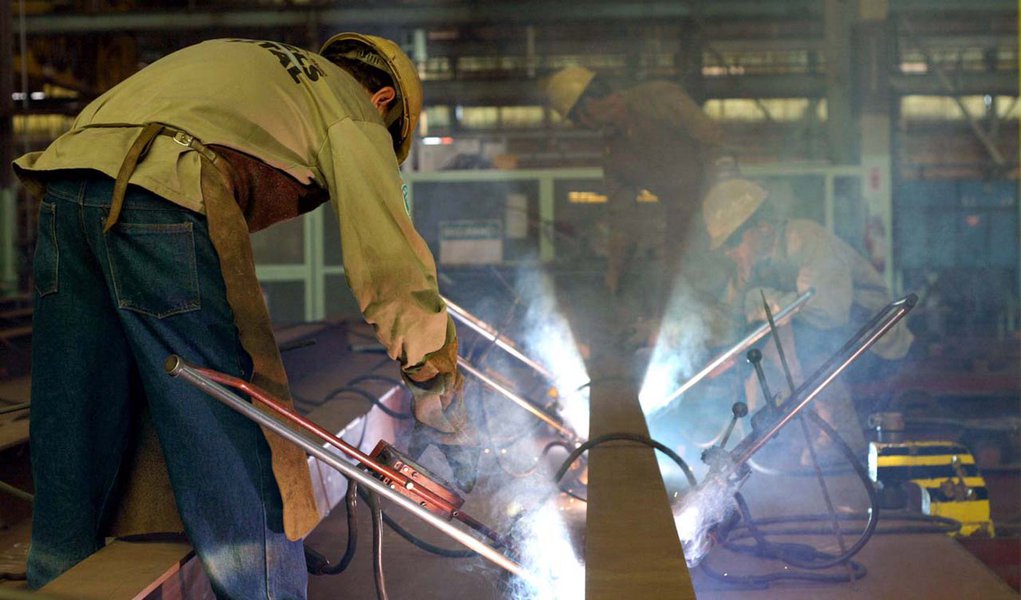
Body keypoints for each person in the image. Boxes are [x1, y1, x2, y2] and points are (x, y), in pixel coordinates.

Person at [13, 33, 472, 599]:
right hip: (163, 189)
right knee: (238, 421)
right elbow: (387, 257)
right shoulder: (350, 108)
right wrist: (431, 366)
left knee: (75, 413)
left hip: (65, 186)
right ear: (383, 101)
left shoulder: (255, 62)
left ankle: (56, 584)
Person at [702, 173, 914, 463]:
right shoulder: (754, 265)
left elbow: (830, 314)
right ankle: (762, 444)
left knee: (791, 334)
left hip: (873, 345)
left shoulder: (805, 240)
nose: (730, 251)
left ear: (762, 227)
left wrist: (763, 299)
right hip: (823, 341)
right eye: (725, 246)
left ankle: (838, 441)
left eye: (734, 240)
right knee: (755, 350)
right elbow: (726, 323)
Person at [544, 67, 724, 312]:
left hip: (724, 209)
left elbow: (714, 143)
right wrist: (614, 276)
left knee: (730, 279)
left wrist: (723, 204)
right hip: (682, 224)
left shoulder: (659, 98)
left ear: (589, 104)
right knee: (677, 290)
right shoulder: (614, 153)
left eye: (577, 118)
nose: (582, 126)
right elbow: (623, 221)